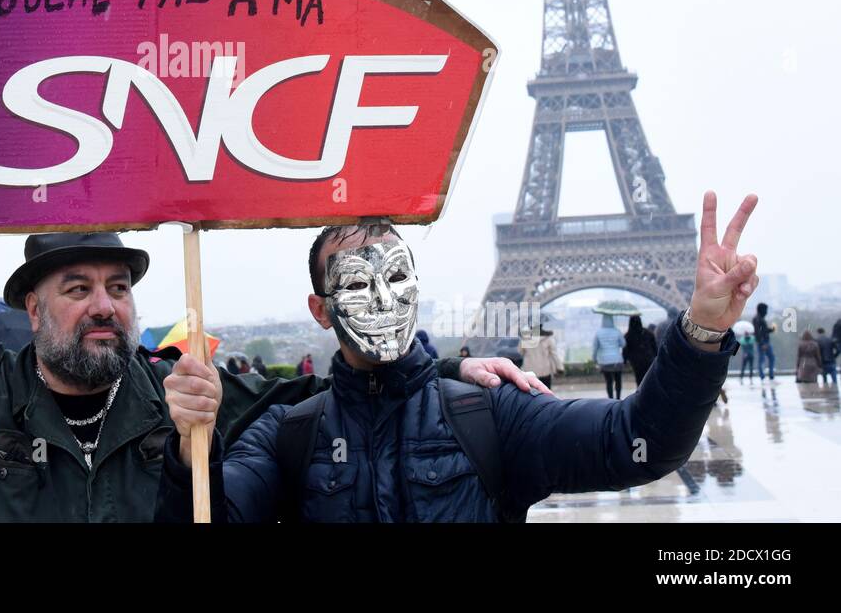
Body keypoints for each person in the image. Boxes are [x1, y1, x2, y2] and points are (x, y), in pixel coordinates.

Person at [0, 187, 537, 523]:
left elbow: (307, 393)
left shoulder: (178, 393)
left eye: (117, 285)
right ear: (34, 308)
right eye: (77, 287)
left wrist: (439, 369)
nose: (104, 304)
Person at [155, 191, 758, 523]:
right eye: (360, 285)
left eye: (397, 276)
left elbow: (637, 444)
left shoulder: (491, 414)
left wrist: (701, 333)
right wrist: (189, 453)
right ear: (321, 309)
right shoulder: (285, 437)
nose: (385, 299)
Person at [593, 313, 626, 399]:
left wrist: (594, 359)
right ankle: (618, 398)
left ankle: (611, 398)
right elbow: (623, 344)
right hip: (617, 360)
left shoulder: (598, 332)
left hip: (605, 361)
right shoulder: (617, 331)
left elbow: (595, 347)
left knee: (609, 381)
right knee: (618, 380)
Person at [521, 324, 563, 391]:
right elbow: (554, 354)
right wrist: (559, 367)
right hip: (545, 370)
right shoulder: (548, 338)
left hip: (529, 370)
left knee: (531, 393)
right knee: (546, 392)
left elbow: (521, 352)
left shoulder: (526, 339)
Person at [623, 314, 658, 387]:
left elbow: (625, 350)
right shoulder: (648, 333)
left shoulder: (628, 336)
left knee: (639, 379)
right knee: (649, 379)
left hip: (636, 362)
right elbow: (655, 348)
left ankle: (640, 395)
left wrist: (625, 361)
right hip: (648, 359)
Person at [753, 302, 776, 380]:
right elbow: (757, 332)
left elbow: (763, 330)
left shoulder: (760, 318)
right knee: (764, 358)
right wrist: (762, 343)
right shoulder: (757, 319)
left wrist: (771, 330)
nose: (766, 312)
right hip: (763, 342)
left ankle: (768, 375)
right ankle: (764, 375)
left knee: (767, 358)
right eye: (766, 310)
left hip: (764, 341)